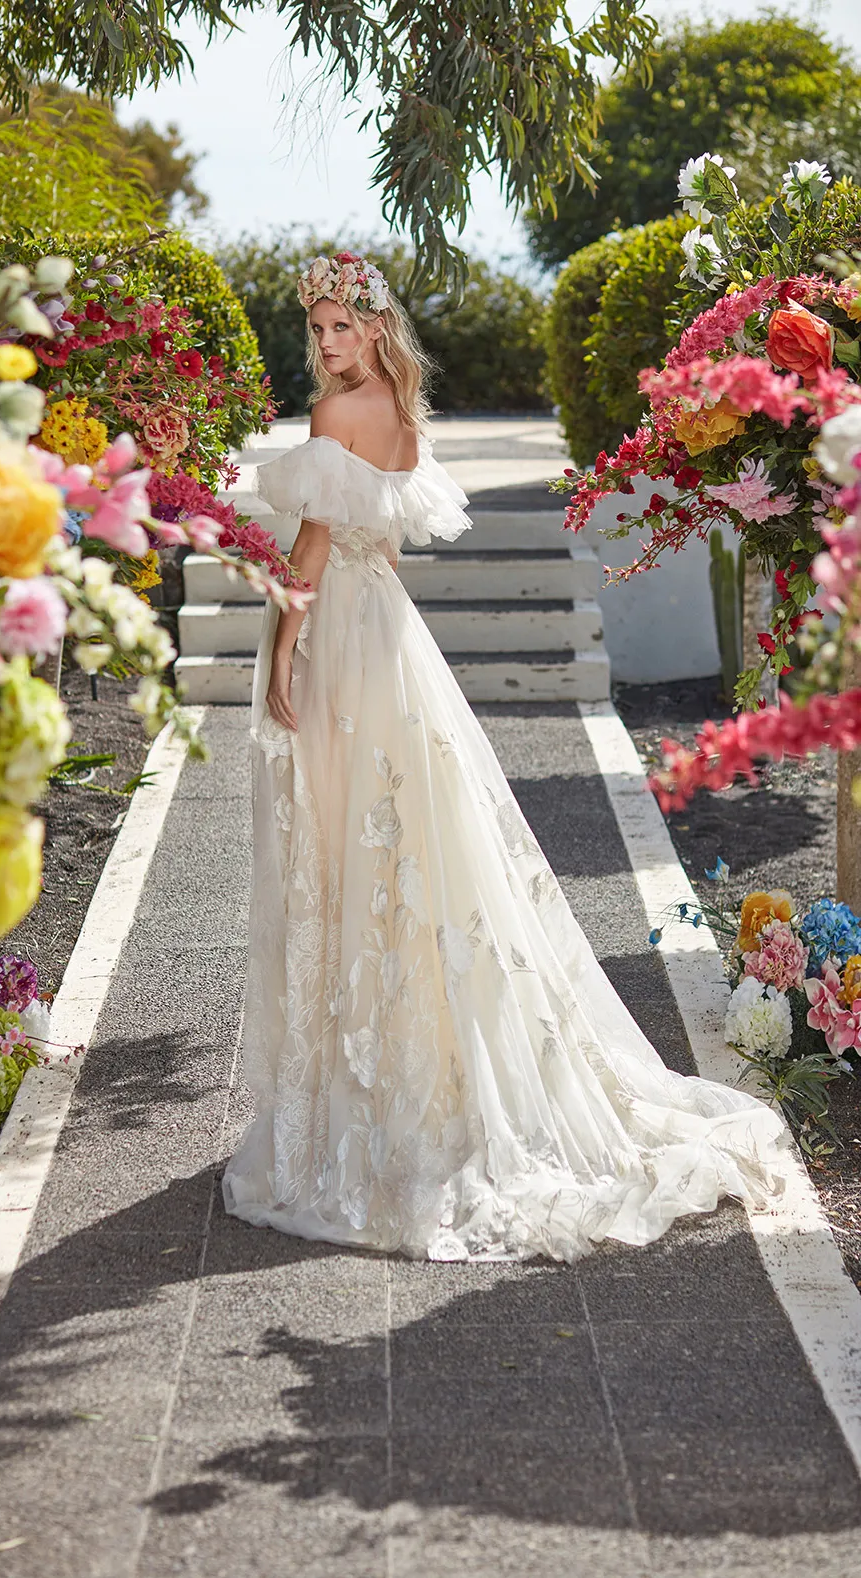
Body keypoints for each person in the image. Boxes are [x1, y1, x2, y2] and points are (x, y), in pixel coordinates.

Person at [222, 251, 787, 1262]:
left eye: (338, 327)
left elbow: (307, 556)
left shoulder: (331, 421)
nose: (324, 344)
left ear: (373, 327)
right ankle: (407, 1059)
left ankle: (367, 1078)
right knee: (410, 837)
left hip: (343, 640)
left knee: (353, 840)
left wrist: (282, 655)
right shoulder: (398, 409)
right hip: (388, 636)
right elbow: (384, 546)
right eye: (314, 329)